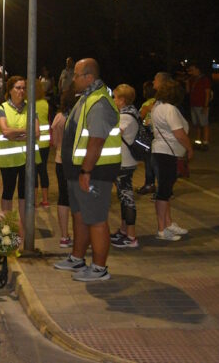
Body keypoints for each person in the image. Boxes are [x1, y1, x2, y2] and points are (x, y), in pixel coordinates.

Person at [53, 59, 121, 282]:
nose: (73, 79)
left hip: (95, 171)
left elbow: (97, 140)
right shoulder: (86, 98)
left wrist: (86, 171)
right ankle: (77, 257)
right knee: (80, 215)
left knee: (96, 218)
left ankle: (100, 268)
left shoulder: (99, 102)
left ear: (89, 77)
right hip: (80, 169)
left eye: (77, 75)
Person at [0, 76, 40, 238]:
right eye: (18, 88)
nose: (21, 91)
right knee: (8, 191)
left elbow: (37, 132)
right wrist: (27, 132)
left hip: (27, 158)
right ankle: (7, 228)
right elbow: (5, 131)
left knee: (24, 194)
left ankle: (24, 230)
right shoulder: (2, 108)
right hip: (9, 159)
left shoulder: (31, 108)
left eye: (23, 88)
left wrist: (17, 133)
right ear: (10, 90)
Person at [151, 79, 192, 241]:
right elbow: (179, 133)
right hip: (166, 152)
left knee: (166, 190)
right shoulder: (170, 109)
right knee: (163, 191)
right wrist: (189, 148)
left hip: (161, 151)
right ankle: (162, 229)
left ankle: (167, 224)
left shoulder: (157, 107)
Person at [110, 84, 140, 249]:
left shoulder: (126, 117)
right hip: (125, 161)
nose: (113, 100)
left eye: (115, 97)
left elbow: (114, 135)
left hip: (124, 162)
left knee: (127, 198)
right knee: (123, 197)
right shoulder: (129, 112)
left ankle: (131, 236)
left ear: (122, 100)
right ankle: (123, 231)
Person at [50, 86, 78, 248]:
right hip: (76, 161)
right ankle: (79, 233)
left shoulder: (58, 118)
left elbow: (53, 141)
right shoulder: (78, 118)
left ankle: (64, 236)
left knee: (63, 197)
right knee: (77, 198)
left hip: (60, 160)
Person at [137, 81, 157, 195]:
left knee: (149, 161)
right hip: (157, 134)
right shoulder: (157, 103)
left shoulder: (146, 105)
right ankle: (152, 184)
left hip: (148, 135)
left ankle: (149, 184)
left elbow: (139, 119)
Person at [187, 63, 212, 150]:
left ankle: (205, 142)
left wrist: (206, 105)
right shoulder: (192, 79)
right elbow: (188, 91)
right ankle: (198, 141)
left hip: (201, 105)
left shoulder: (204, 79)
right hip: (193, 105)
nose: (191, 71)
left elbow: (207, 92)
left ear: (198, 69)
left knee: (204, 124)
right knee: (197, 124)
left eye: (192, 69)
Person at [34, 81, 51, 207]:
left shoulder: (29, 104)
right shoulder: (45, 103)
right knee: (43, 170)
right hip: (45, 142)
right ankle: (45, 199)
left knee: (33, 171)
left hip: (34, 141)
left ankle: (33, 200)